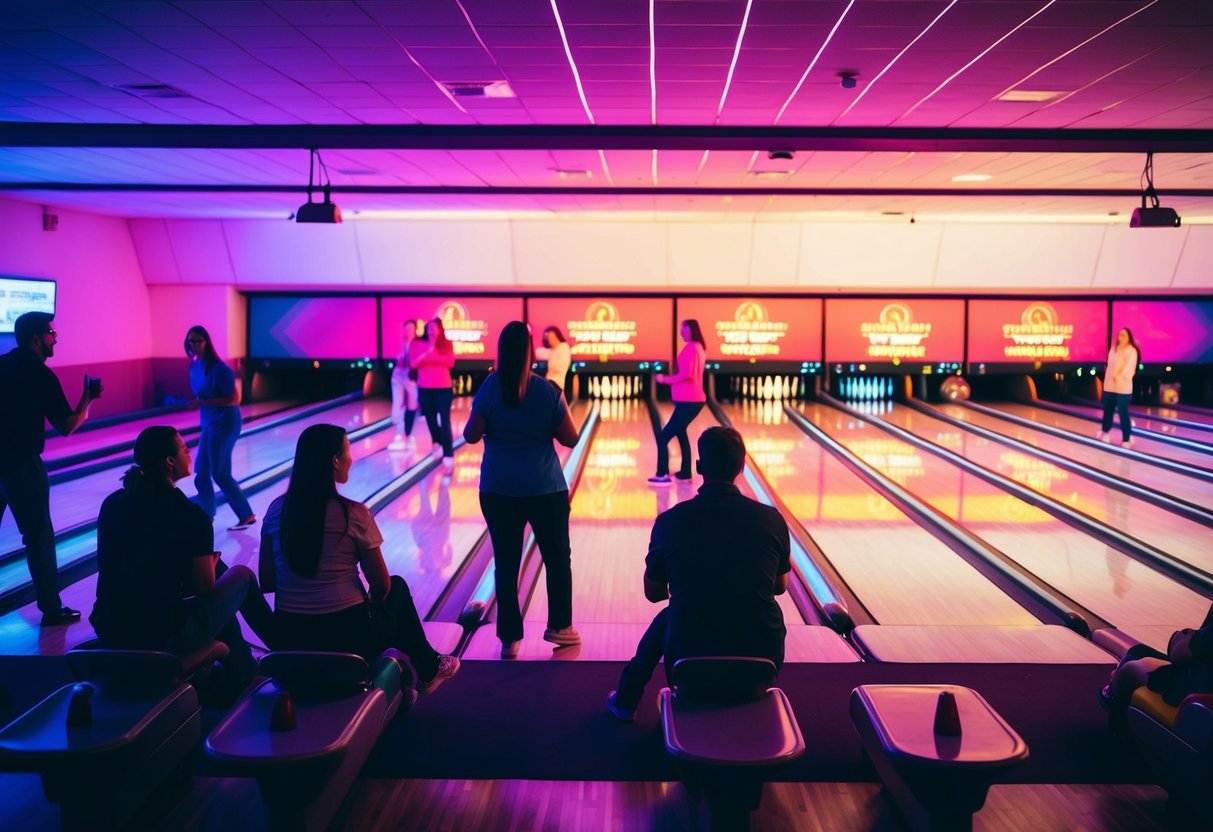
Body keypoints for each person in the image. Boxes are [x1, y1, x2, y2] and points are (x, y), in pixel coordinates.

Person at [259, 424, 459, 694]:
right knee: (396, 588)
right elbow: (381, 586)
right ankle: (428, 667)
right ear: (335, 460)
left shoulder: (274, 512)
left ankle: (421, 670)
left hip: (290, 636)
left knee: (381, 610)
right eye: (348, 450)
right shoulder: (353, 514)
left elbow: (267, 581)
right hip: (348, 638)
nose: (351, 458)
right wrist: (369, 604)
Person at [608, 426, 791, 721]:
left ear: (698, 467)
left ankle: (627, 699)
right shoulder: (771, 519)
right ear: (742, 466)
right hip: (761, 660)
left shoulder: (670, 521)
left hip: (688, 657)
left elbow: (654, 594)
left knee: (674, 611)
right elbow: (780, 587)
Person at [91, 426, 274, 690]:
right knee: (240, 576)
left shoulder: (112, 504)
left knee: (218, 576)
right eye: (184, 449)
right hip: (161, 637)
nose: (190, 453)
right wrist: (209, 566)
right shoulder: (190, 515)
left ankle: (241, 669)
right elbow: (204, 588)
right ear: (169, 461)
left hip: (109, 629)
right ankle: (281, 648)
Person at [464, 321, 580, 658]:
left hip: (499, 489)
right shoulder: (548, 391)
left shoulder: (489, 388)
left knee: (506, 561)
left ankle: (509, 638)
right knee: (557, 558)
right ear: (530, 352)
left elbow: (471, 435)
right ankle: (560, 627)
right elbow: (571, 438)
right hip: (545, 488)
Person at [0, 311, 101, 625]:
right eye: (51, 333)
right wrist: (87, 399)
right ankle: (51, 609)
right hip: (21, 465)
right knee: (39, 537)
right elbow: (68, 425)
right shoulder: (41, 375)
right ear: (36, 338)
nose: (56, 337)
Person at [185, 325, 256, 528]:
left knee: (220, 472)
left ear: (207, 342)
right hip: (209, 423)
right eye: (192, 341)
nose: (195, 345)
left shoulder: (220, 369)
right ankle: (207, 513)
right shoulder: (194, 367)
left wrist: (202, 402)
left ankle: (246, 515)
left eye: (199, 341)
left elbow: (235, 398)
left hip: (225, 423)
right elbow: (202, 394)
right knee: (202, 470)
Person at [1101, 604, 1213, 726]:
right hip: (1202, 687)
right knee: (1140, 651)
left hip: (1192, 695)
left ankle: (1117, 724)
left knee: (1129, 666)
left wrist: (1187, 637)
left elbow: (1177, 654)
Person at [649, 319, 707, 485]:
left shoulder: (691, 347)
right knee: (681, 434)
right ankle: (685, 472)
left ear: (691, 330)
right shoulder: (699, 347)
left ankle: (662, 475)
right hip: (691, 399)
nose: (681, 332)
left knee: (663, 437)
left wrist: (665, 379)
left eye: (684, 329)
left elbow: (688, 374)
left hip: (689, 399)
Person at [409, 318, 457, 471]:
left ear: (440, 330)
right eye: (429, 328)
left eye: (435, 328)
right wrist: (426, 354)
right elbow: (414, 363)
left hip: (444, 387)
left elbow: (450, 362)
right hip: (425, 388)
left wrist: (433, 354)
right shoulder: (417, 344)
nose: (431, 330)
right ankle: (436, 441)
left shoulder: (446, 343)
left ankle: (448, 453)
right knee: (429, 418)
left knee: (445, 420)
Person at [1097, 327, 1141, 449]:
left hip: (1123, 387)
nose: (1121, 337)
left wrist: (1119, 376)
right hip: (1110, 386)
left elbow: (1129, 369)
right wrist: (1108, 381)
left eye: (1124, 335)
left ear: (1129, 337)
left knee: (1123, 413)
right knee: (1108, 411)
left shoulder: (1132, 351)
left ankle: (1126, 438)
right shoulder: (1113, 349)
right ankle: (1105, 432)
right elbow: (1110, 367)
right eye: (1119, 335)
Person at [389, 319, 421, 451]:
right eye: (406, 328)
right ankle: (399, 435)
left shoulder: (418, 344)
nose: (408, 331)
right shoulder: (399, 343)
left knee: (412, 406)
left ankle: (407, 435)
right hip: (398, 376)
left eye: (411, 329)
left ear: (415, 330)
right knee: (398, 405)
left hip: (411, 378)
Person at [534, 326, 572, 392]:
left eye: (550, 337)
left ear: (556, 336)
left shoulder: (564, 347)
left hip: (556, 385)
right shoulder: (551, 351)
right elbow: (537, 353)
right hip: (548, 384)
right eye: (547, 338)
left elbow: (557, 368)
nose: (548, 340)